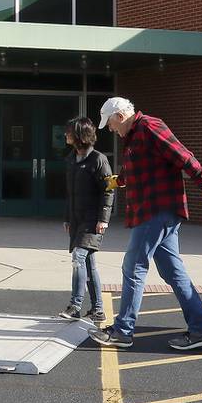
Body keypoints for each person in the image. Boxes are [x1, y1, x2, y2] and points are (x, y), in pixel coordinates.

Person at [89, 97, 202, 351]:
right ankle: (201, 330)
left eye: (110, 124)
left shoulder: (150, 127)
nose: (110, 130)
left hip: (158, 210)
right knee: (173, 272)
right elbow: (140, 168)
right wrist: (116, 181)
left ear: (120, 116)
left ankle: (123, 331)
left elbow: (186, 158)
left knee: (133, 267)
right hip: (154, 210)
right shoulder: (134, 136)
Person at [60, 116, 111, 321]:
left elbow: (108, 191)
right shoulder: (72, 159)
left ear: (80, 135)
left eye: (69, 132)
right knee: (89, 263)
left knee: (78, 258)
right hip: (77, 219)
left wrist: (103, 219)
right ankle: (98, 309)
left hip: (92, 219)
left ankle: (75, 305)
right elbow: (70, 193)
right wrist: (67, 218)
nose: (66, 135)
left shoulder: (98, 159)